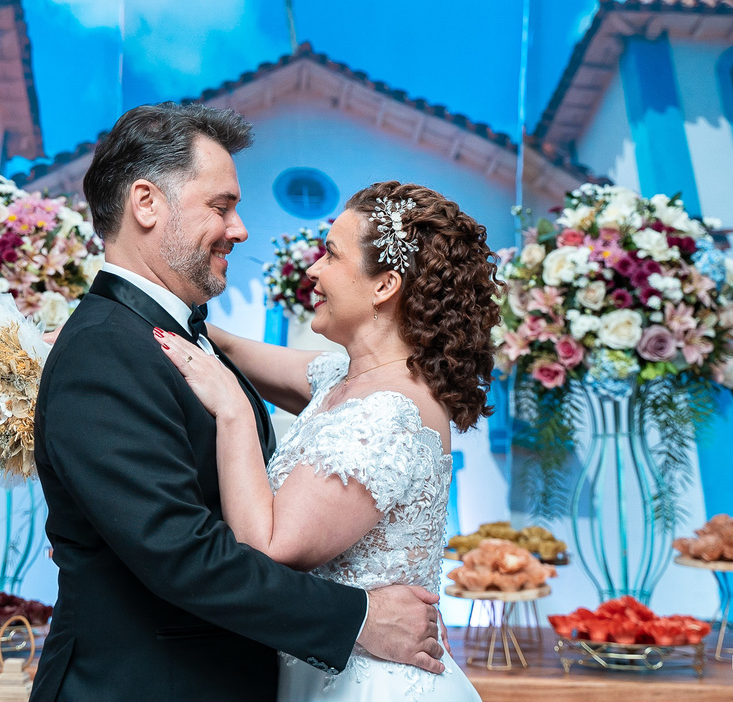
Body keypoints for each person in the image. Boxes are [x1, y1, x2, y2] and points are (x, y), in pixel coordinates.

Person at [31, 105, 446, 702]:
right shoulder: (106, 349)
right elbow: (182, 553)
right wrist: (358, 618)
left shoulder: (172, 338)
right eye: (221, 206)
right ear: (146, 203)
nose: (241, 229)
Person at [154, 181, 499, 701]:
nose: (313, 270)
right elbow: (235, 352)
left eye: (332, 255)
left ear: (385, 285)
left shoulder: (387, 412)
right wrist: (150, 317)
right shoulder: (346, 378)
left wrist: (233, 411)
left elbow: (269, 548)